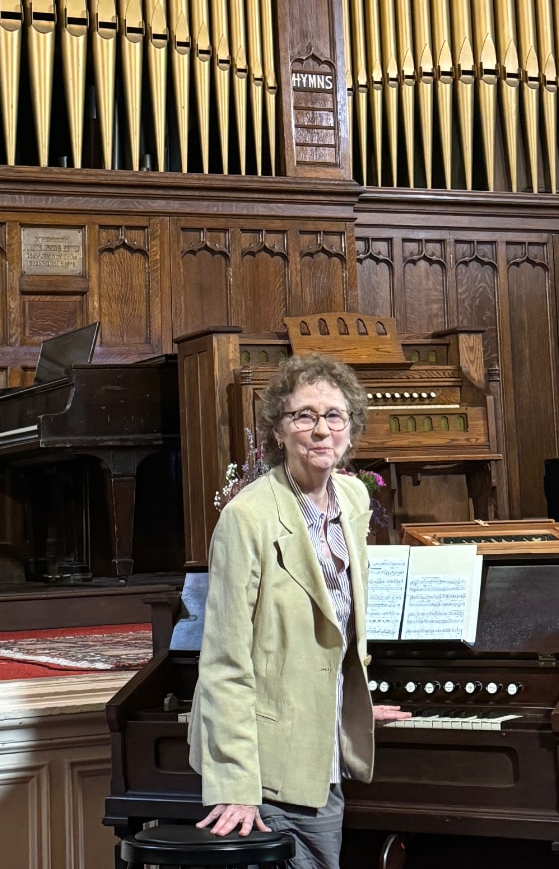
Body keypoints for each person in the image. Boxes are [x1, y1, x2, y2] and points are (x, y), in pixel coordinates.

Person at [187, 352, 411, 869]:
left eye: (334, 416)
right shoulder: (248, 518)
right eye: (303, 416)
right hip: (265, 762)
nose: (320, 430)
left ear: (351, 431)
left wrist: (343, 705)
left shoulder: (353, 499)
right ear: (279, 431)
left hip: (320, 747)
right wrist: (236, 784)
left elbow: (332, 629)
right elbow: (224, 661)